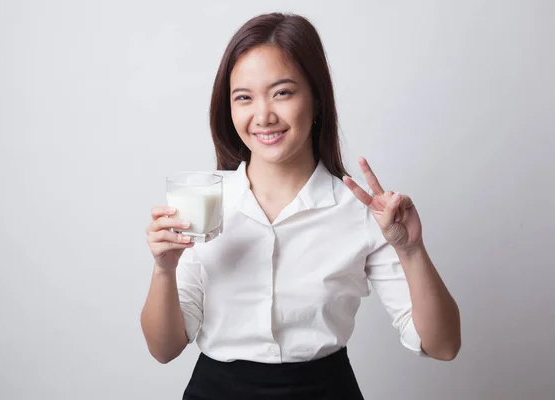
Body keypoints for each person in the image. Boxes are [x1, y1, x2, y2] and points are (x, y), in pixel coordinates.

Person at [141, 12, 461, 400]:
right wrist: (164, 268)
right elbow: (164, 349)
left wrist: (411, 249)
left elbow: (442, 346)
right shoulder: (205, 201)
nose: (263, 116)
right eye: (244, 98)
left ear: (317, 99)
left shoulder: (361, 211)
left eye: (282, 92)